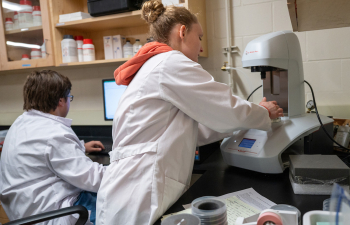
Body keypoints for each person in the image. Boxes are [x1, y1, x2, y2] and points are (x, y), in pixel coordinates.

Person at [96, 1, 284, 224]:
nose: (201, 47)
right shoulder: (169, 63)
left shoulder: (155, 65)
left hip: (129, 189)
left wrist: (247, 121)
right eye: (200, 37)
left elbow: (197, 128)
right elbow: (223, 107)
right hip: (137, 193)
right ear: (182, 32)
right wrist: (262, 112)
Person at [0, 70, 106, 225]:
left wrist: (80, 147)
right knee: (118, 205)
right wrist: (125, 169)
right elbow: (94, 179)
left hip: (25, 212)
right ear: (61, 100)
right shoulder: (54, 133)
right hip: (53, 214)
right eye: (69, 97)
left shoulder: (21, 123)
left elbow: (42, 152)